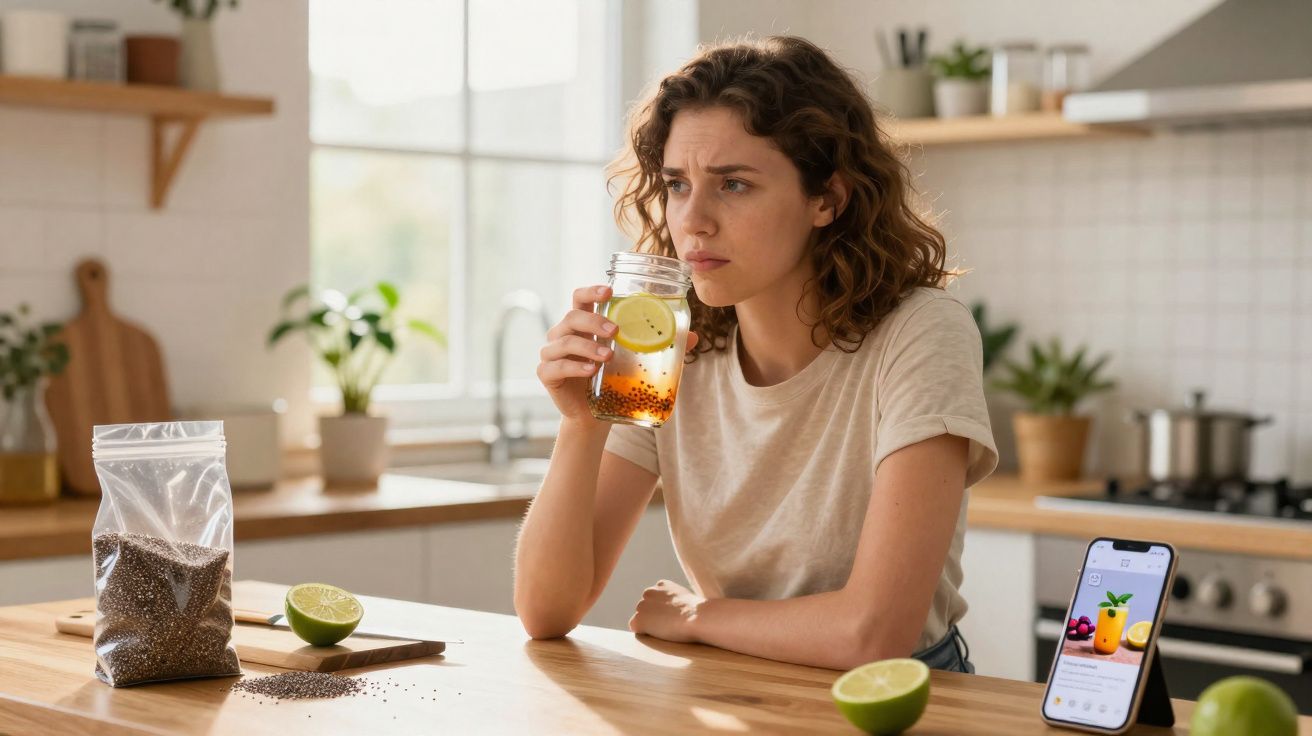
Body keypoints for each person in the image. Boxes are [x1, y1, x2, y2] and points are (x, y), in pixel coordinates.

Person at [513, 35, 997, 673]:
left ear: (827, 199)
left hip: (892, 697)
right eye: (678, 185)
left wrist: (696, 616)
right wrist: (581, 424)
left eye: (734, 184)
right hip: (734, 686)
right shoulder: (669, 346)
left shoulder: (919, 333)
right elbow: (547, 611)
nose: (693, 221)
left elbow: (873, 636)